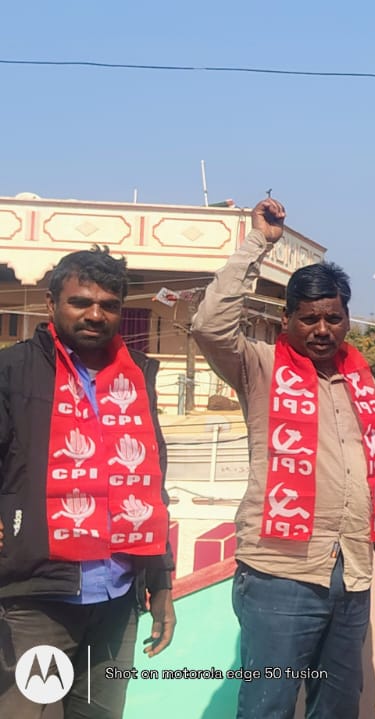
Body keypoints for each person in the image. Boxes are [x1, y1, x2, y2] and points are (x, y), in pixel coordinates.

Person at [192, 198, 375, 718]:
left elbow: (374, 477)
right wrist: (258, 242)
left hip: (351, 575)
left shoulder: (362, 384)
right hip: (279, 575)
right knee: (267, 708)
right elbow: (209, 326)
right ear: (286, 319)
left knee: (337, 708)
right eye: (309, 319)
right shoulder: (260, 367)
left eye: (333, 318)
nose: (322, 329)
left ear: (347, 321)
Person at [0, 246, 176, 718]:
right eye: (80, 302)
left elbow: (151, 486)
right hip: (37, 599)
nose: (95, 315)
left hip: (117, 597)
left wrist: (160, 583)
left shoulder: (136, 376)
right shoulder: (12, 372)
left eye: (109, 305)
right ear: (51, 303)